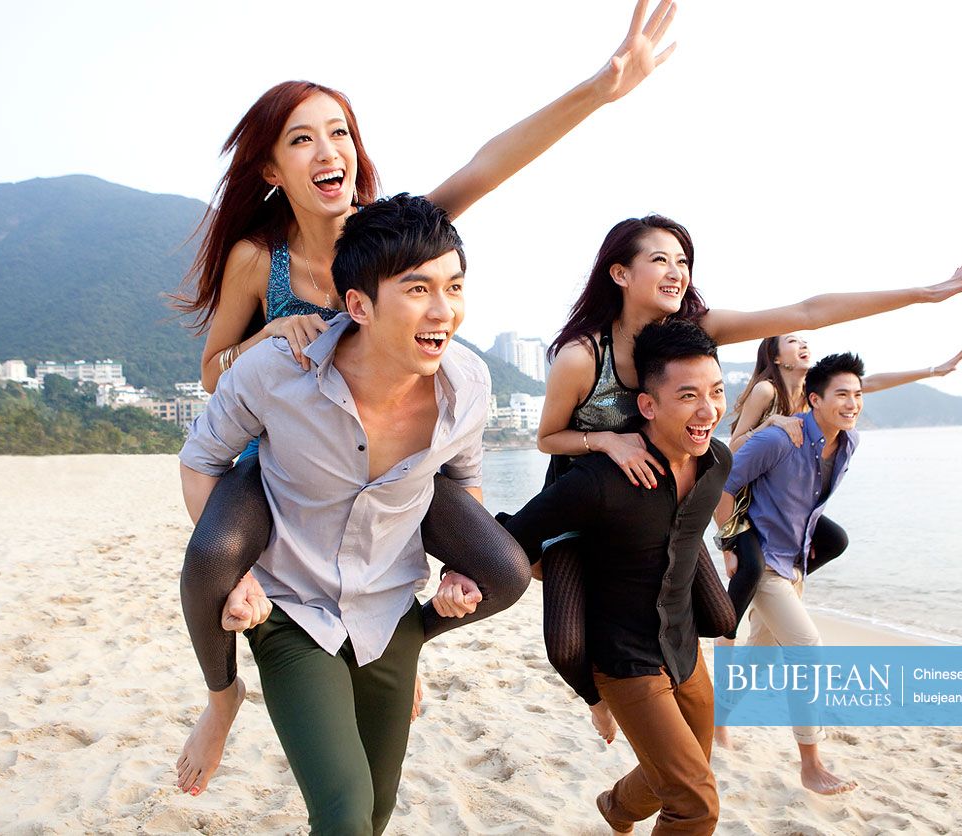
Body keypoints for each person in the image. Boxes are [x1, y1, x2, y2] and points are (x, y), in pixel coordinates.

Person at [172, 0, 679, 796]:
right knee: (208, 560)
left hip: (397, 450)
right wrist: (273, 336)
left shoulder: (388, 236)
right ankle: (222, 696)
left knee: (502, 566)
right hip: (288, 458)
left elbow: (488, 162)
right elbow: (213, 370)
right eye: (301, 138)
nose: (327, 150)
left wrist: (598, 90)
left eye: (338, 131)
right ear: (272, 169)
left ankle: (394, 647)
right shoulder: (256, 257)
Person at [534, 214, 962, 735]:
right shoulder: (583, 354)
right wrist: (608, 439)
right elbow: (548, 439)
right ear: (619, 273)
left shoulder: (694, 330)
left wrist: (922, 294)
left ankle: (692, 699)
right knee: (568, 645)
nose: (676, 272)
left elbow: (807, 311)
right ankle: (598, 698)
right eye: (659, 259)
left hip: (656, 510)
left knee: (723, 619)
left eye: (683, 261)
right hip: (581, 510)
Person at [178, 195, 507, 833]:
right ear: (358, 304)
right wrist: (242, 577)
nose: (443, 311)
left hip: (390, 612)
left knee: (376, 813)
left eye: (454, 287)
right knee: (345, 814)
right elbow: (200, 461)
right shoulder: (277, 372)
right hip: (292, 610)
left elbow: (463, 482)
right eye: (418, 289)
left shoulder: (468, 384)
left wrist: (458, 572)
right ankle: (223, 699)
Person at [502, 319, 731, 835]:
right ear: (647, 405)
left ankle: (616, 809)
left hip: (684, 649)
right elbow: (517, 533)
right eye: (688, 396)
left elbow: (694, 545)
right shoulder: (600, 482)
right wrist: (475, 573)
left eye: (716, 393)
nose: (708, 411)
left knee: (684, 769)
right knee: (696, 805)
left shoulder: (717, 462)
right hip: (625, 661)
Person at [718, 335, 962, 622]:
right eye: (792, 340)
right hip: (750, 495)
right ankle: (727, 627)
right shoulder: (767, 390)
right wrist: (770, 423)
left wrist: (933, 371)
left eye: (804, 340)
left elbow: (870, 383)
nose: (803, 345)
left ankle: (776, 590)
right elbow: (734, 445)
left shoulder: (809, 393)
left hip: (783, 494)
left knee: (834, 540)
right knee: (751, 568)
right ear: (776, 358)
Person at [714, 352, 868, 795]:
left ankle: (715, 722)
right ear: (814, 399)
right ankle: (811, 763)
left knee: (758, 659)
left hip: (795, 564)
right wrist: (729, 546)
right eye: (842, 394)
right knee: (807, 649)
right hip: (762, 564)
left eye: (858, 395)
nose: (852, 403)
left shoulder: (848, 443)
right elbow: (721, 485)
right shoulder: (781, 441)